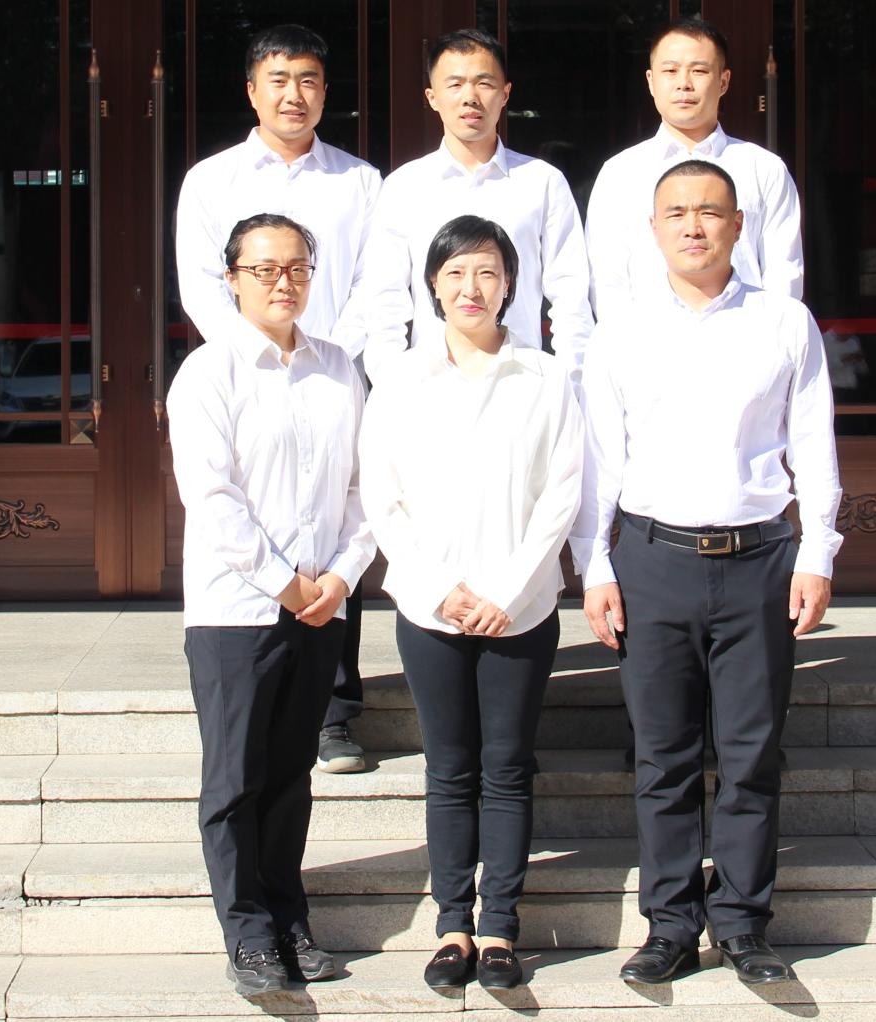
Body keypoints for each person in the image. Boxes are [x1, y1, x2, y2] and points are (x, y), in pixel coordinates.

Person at [571, 161, 842, 987]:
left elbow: (815, 444)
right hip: (653, 563)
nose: (694, 226)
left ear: (738, 226)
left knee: (752, 754)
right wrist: (595, 564)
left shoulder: (784, 322)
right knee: (664, 758)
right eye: (678, 213)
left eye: (711, 212)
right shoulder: (619, 331)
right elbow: (598, 462)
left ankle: (745, 924)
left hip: (759, 560)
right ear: (653, 230)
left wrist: (817, 552)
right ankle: (670, 926)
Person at [359, 215, 583, 991]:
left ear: (510, 283)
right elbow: (382, 498)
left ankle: (499, 930)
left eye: (487, 271)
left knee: (508, 768)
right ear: (432, 285)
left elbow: (562, 495)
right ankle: (453, 925)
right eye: (455, 272)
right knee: (450, 769)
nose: (471, 287)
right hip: (431, 611)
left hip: (521, 610)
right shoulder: (400, 381)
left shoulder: (545, 378)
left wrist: (509, 590)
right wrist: (438, 589)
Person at [167, 214, 374, 996]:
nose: (283, 282)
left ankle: (290, 920)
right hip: (237, 613)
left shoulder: (338, 367)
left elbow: (365, 486)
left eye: (297, 268)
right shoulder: (209, 373)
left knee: (290, 776)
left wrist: (341, 578)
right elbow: (212, 498)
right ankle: (248, 935)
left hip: (321, 608)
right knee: (235, 781)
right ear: (232, 279)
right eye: (264, 270)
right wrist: (286, 583)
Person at [175, 23, 381, 775]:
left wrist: (326, 354)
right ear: (252, 91)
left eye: (309, 80)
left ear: (325, 92)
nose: (294, 94)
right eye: (279, 79)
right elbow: (202, 283)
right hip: (246, 374)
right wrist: (258, 348)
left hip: (333, 374)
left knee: (333, 518)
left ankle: (336, 713)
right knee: (255, 510)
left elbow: (375, 284)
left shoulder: (360, 182)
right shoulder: (211, 180)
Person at [362, 29, 592, 387]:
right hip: (430, 386)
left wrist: (570, 384)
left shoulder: (542, 182)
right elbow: (383, 300)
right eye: (455, 84)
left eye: (484, 83)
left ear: (505, 94)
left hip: (523, 383)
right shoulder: (404, 187)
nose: (470, 97)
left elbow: (570, 296)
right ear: (432, 97)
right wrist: (391, 383)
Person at [585, 17, 803, 321]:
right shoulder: (620, 174)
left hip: (745, 339)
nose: (684, 83)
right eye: (670, 71)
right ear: (651, 81)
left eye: (699, 71)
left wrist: (767, 337)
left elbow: (783, 273)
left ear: (723, 81)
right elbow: (607, 281)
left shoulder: (764, 169)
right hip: (649, 341)